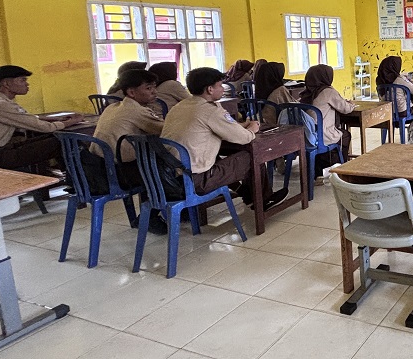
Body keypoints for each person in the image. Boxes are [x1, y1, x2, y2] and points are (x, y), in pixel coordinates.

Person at [161, 67, 277, 207]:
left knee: (222, 157)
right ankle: (263, 201)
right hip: (195, 181)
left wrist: (241, 125)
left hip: (168, 178)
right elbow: (245, 138)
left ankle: (246, 193)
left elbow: (216, 127)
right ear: (210, 89)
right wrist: (253, 128)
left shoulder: (180, 106)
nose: (223, 89)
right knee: (252, 156)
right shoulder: (210, 110)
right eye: (220, 85)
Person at [86, 69, 167, 234]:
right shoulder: (136, 111)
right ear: (131, 92)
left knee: (152, 164)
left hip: (97, 168)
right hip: (117, 174)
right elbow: (166, 130)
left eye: (154, 87)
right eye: (148, 88)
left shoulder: (112, 107)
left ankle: (157, 212)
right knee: (166, 171)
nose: (154, 92)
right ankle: (150, 217)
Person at [0, 65, 84, 171]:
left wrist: (57, 119)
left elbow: (25, 118)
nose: (27, 84)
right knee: (66, 141)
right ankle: (78, 179)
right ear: (6, 84)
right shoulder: (0, 105)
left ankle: (65, 176)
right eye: (22, 80)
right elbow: (46, 128)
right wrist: (74, 121)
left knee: (55, 137)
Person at [299, 64, 355, 174]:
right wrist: (351, 104)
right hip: (321, 136)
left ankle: (319, 165)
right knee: (345, 135)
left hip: (306, 136)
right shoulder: (328, 91)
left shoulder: (305, 93)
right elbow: (346, 109)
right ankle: (340, 167)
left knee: (339, 134)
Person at [253, 61, 291, 126]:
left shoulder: (260, 89)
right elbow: (293, 105)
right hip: (277, 123)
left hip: (261, 122)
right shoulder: (280, 90)